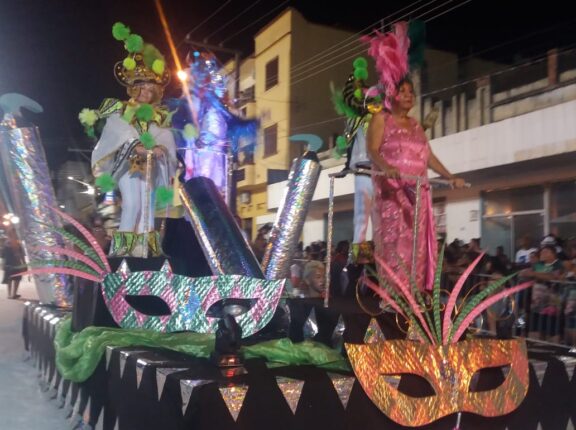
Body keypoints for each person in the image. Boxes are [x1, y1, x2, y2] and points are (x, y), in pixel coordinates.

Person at [84, 23, 177, 257]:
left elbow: (164, 137)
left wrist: (160, 149)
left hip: (149, 167)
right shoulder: (122, 111)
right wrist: (135, 146)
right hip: (128, 165)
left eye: (149, 88)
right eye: (141, 87)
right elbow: (116, 132)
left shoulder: (158, 116)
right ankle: (123, 253)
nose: (145, 92)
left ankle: (145, 251)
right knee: (133, 203)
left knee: (147, 207)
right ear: (134, 89)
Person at [366, 78, 465, 291]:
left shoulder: (416, 125)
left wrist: (450, 177)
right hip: (393, 192)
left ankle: (414, 296)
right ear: (391, 94)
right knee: (396, 245)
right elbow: (372, 150)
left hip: (418, 193)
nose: (409, 95)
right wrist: (385, 167)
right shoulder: (381, 119)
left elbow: (429, 157)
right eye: (403, 91)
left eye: (411, 91)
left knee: (416, 245)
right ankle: (394, 297)